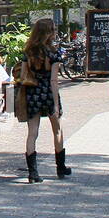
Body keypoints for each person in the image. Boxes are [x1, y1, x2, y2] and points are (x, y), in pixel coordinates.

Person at [16, 17, 68, 183]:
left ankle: (33, 173)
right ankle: (61, 167)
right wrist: (56, 102)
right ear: (48, 33)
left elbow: (23, 75)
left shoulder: (28, 51)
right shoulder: (54, 53)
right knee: (57, 129)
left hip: (32, 92)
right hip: (47, 93)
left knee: (32, 133)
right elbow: (54, 80)